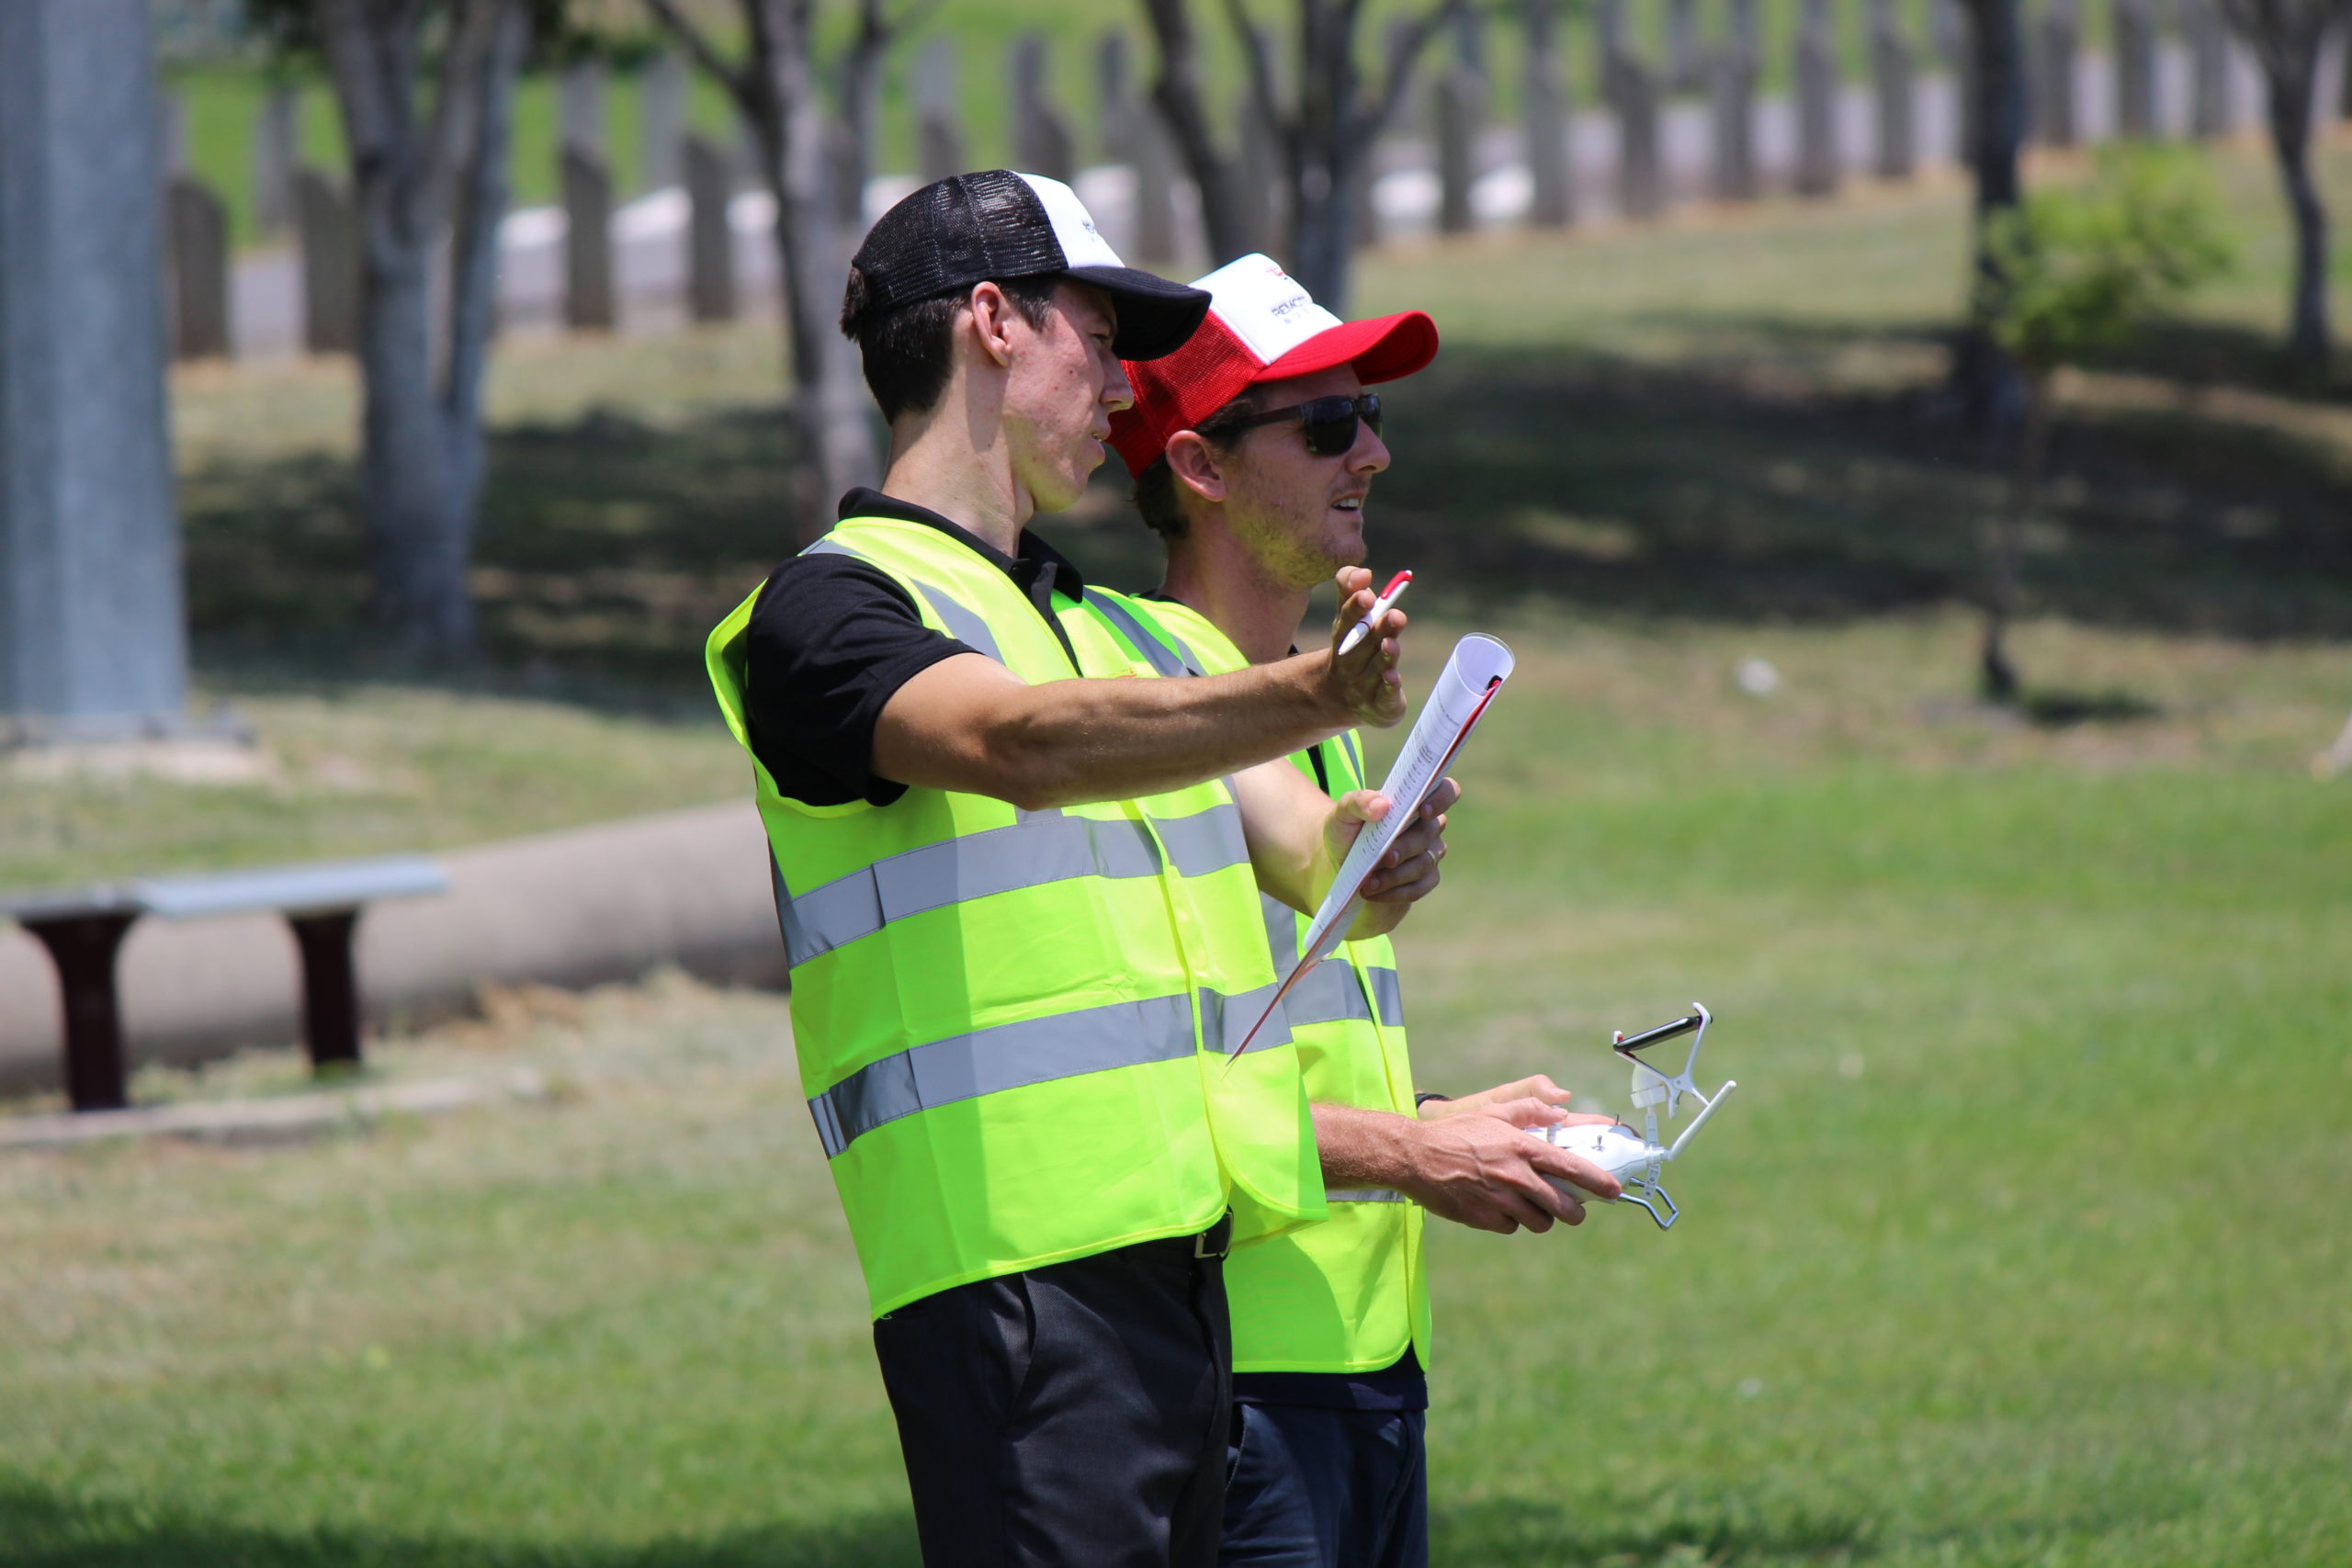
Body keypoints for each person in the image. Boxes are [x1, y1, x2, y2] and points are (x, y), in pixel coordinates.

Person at [700, 173, 1492, 1568]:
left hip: (1177, 1287)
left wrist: (1383, 841)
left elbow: (1315, 862)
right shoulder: (830, 606)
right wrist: (1314, 693)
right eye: (1096, 334)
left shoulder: (1116, 633)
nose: (1125, 387)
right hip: (1009, 1289)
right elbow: (1011, 742)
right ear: (993, 324)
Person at [1094, 254, 1623, 1568]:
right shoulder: (1130, 703)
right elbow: (1149, 1087)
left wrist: (1444, 1123)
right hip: (1237, 1377)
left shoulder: (1312, 708)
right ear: (1203, 470)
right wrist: (1405, 1153)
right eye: (1327, 424)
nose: (1372, 453)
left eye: (1372, 417)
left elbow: (1285, 1031)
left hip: (1366, 1362)